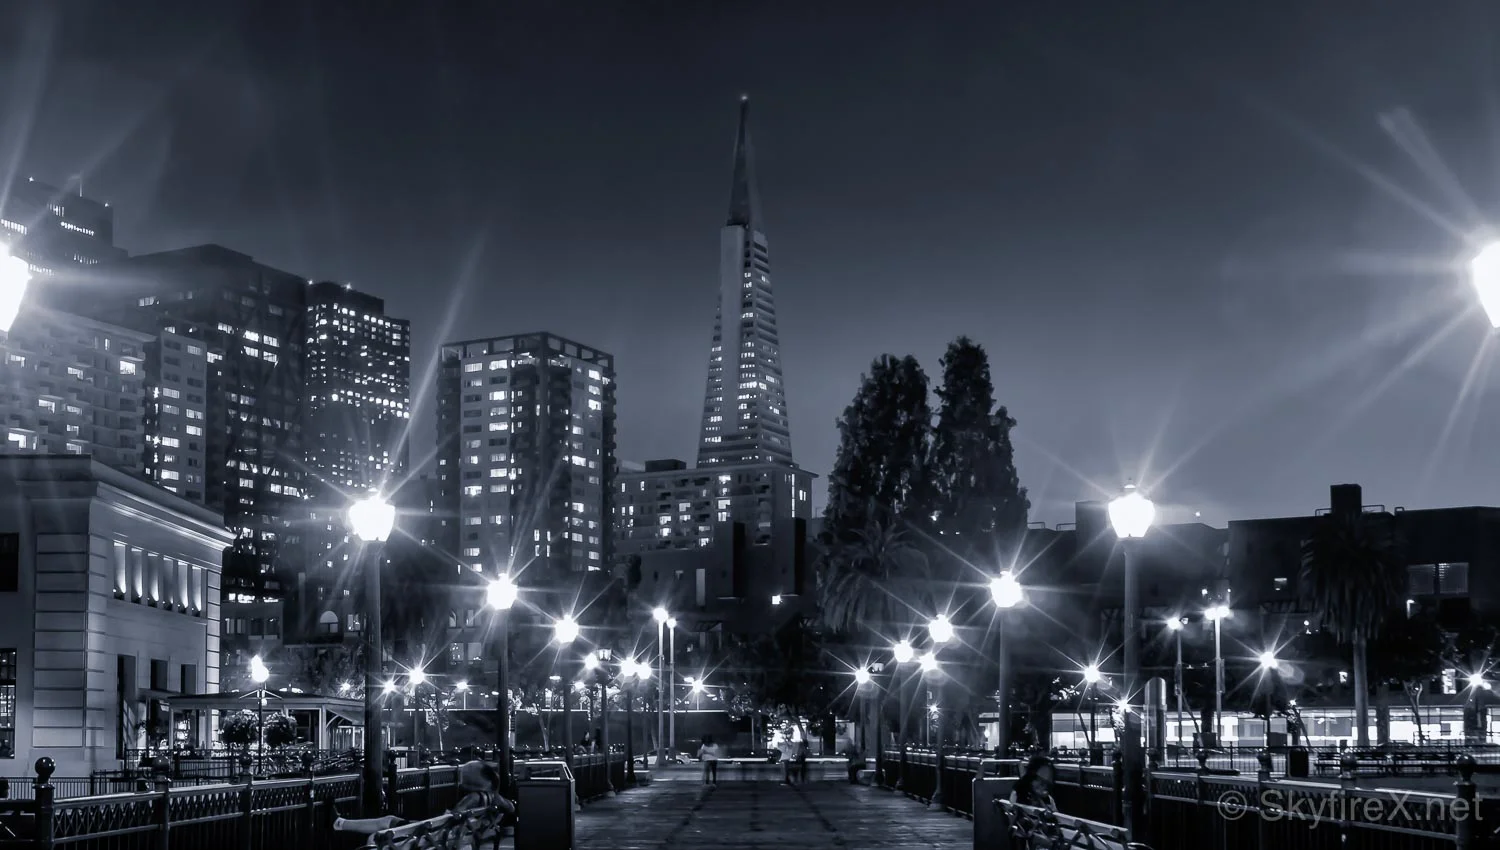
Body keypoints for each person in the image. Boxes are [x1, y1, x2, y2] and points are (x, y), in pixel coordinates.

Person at [333, 760, 515, 837]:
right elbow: (511, 808)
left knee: (387, 823)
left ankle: (339, 823)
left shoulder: (474, 798)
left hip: (433, 835)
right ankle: (340, 822)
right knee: (389, 821)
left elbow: (450, 819)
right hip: (447, 836)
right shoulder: (493, 798)